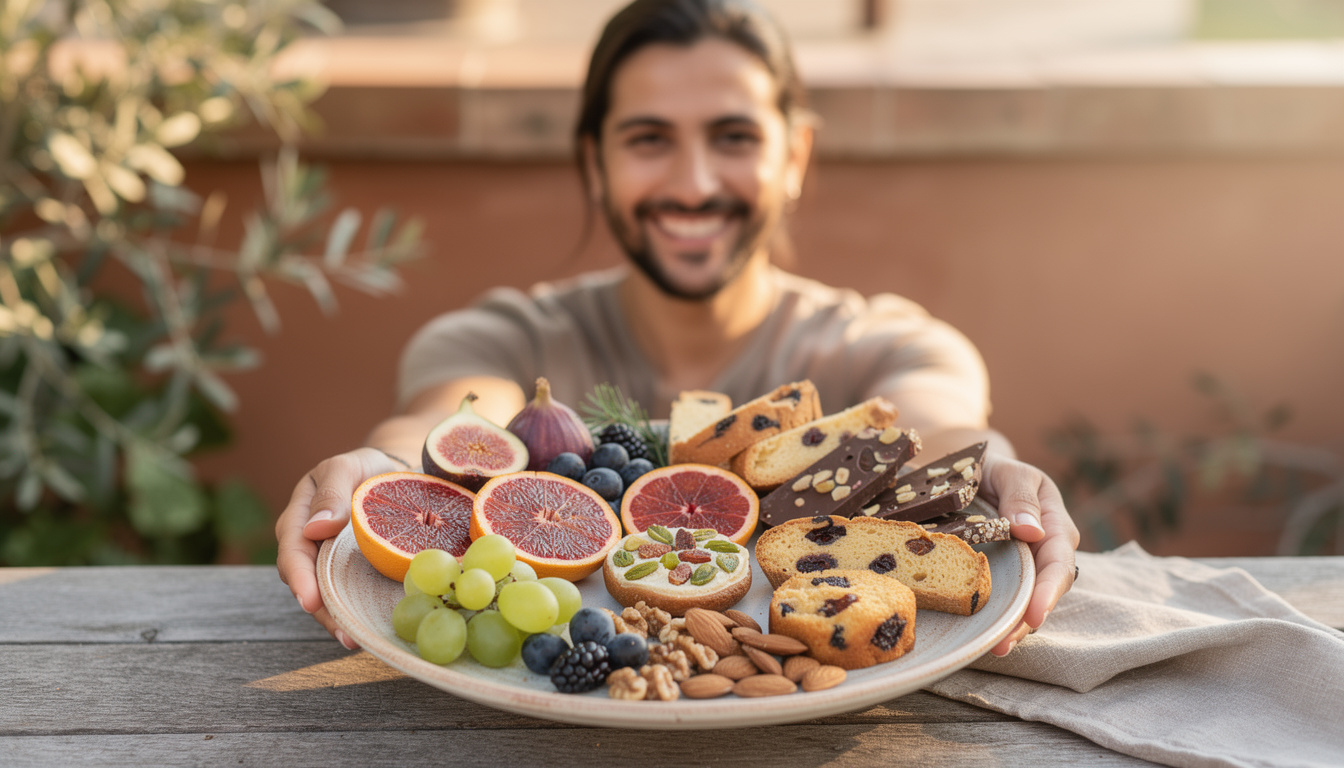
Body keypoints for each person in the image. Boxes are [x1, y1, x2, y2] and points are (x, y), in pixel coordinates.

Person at [276, 0, 1079, 657]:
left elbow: (936, 428)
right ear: (593, 161)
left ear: (795, 155)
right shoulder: (497, 338)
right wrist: (379, 465)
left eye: (734, 137)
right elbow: (446, 416)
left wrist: (996, 473)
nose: (693, 184)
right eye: (649, 139)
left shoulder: (893, 346)